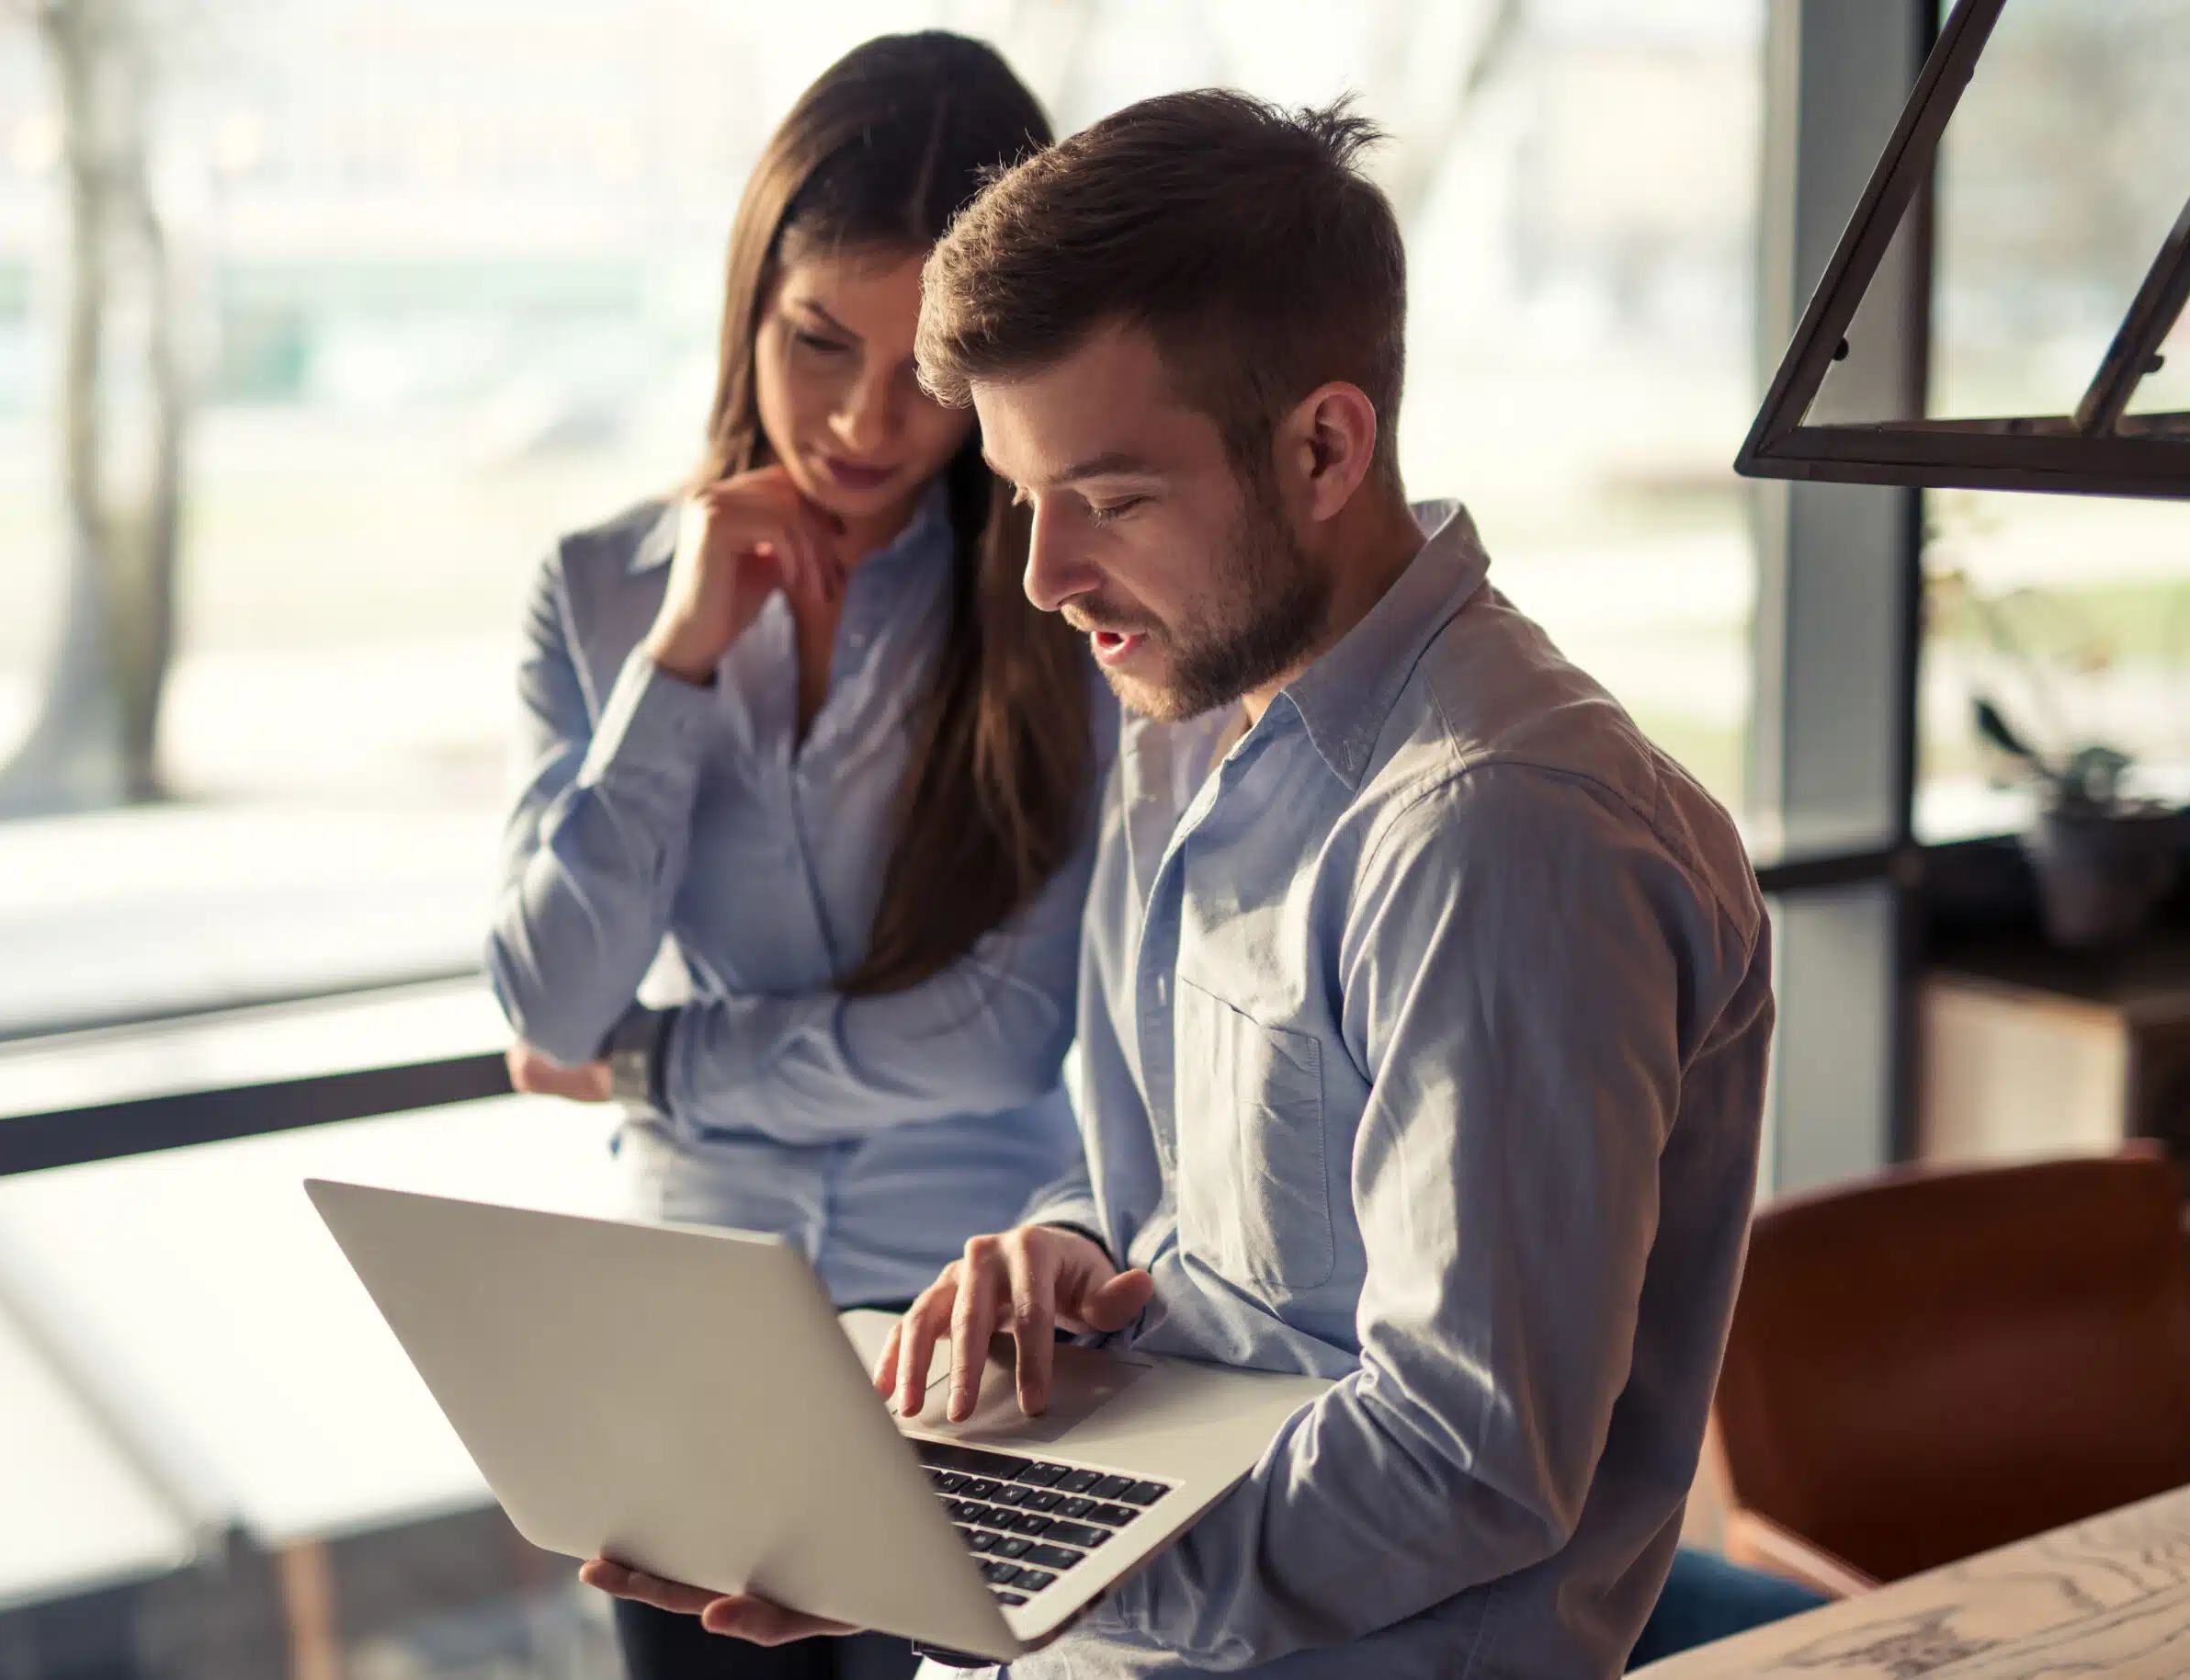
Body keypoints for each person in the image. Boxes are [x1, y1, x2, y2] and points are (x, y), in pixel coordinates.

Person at [584, 90, 1774, 1678]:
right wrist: (1071, 1260)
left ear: (1327, 446)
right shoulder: (1183, 729)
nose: (1044, 578)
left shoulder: (1499, 835)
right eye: (1021, 497)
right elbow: (1182, 1226)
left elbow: (1465, 1463)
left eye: (1113, 499)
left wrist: (985, 1564)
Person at [487, 34, 1102, 1680]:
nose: (858, 418)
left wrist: (657, 1065)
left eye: (926, 373)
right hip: (683, 1331)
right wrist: (679, 663)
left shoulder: (1063, 614)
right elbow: (550, 992)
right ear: (749, 301)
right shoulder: (601, 589)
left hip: (964, 1325)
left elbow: (1004, 1034)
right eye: (817, 339)